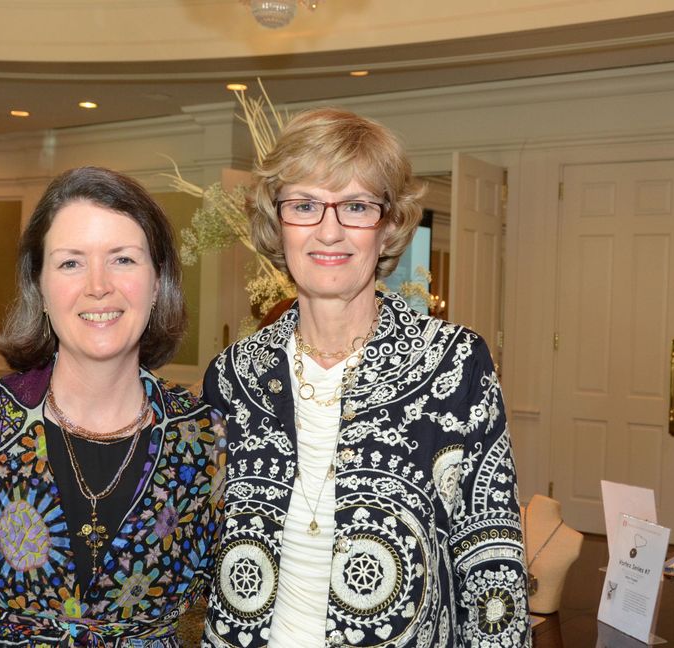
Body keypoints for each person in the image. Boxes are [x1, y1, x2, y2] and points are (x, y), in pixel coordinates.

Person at [201, 108, 529, 647]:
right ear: (276, 223)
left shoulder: (454, 365)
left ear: (389, 225)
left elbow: (492, 564)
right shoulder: (235, 376)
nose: (330, 231)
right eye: (304, 205)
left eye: (355, 206)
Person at [0, 166, 225, 646]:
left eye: (122, 259)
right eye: (71, 263)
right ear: (38, 287)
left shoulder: (206, 437)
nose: (98, 285)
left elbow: (238, 611)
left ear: (158, 279)